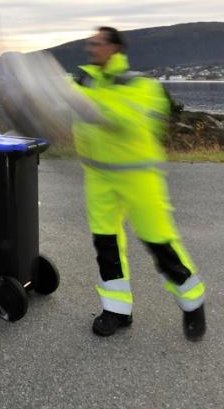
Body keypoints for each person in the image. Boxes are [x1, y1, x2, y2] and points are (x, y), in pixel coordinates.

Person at [73, 26, 206, 340]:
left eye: (98, 43)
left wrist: (85, 103)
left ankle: (193, 303)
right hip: (98, 176)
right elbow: (56, 103)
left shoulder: (141, 84)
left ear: (115, 48)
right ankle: (116, 310)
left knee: (158, 242)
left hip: (138, 176)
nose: (91, 49)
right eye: (89, 44)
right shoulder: (85, 81)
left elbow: (127, 120)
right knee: (106, 245)